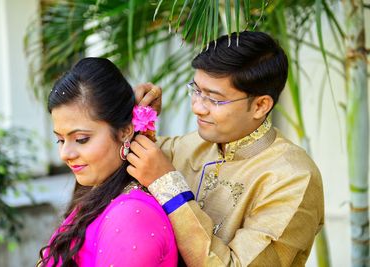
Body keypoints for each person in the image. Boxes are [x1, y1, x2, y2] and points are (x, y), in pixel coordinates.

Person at [127, 31, 324, 266]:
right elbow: (123, 161)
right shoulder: (193, 145)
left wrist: (168, 187)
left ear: (261, 105)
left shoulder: (293, 178)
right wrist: (139, 119)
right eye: (196, 90)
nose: (198, 108)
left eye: (215, 99)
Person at [38, 57, 178, 267]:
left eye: (81, 139)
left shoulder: (131, 218)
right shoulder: (96, 193)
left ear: (125, 132)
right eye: (60, 139)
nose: (65, 154)